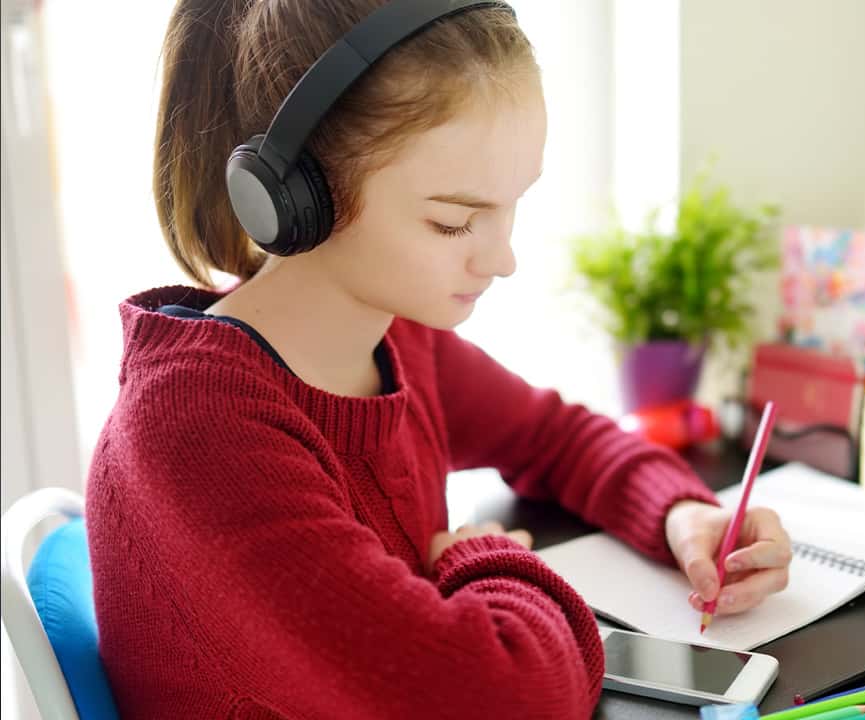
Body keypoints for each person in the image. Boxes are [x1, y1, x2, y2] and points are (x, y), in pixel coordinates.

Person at [84, 2, 792, 718]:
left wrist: (680, 515)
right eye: (453, 221)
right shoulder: (202, 436)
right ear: (293, 197)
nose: (502, 257)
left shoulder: (395, 338)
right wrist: (485, 559)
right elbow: (514, 700)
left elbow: (552, 436)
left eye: (511, 206)